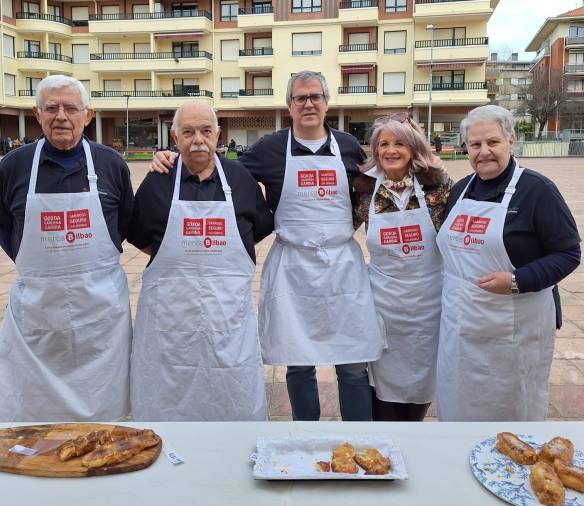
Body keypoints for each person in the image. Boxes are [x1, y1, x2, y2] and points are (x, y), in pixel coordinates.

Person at [149, 71, 385, 422]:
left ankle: (361, 438)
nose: (308, 104)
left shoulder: (348, 146)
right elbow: (217, 169)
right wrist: (171, 156)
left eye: (315, 97)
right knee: (298, 362)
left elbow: (386, 172)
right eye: (300, 98)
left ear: (326, 103)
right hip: (293, 268)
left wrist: (431, 169)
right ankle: (304, 436)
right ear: (289, 105)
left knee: (353, 364)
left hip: (342, 267)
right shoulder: (270, 148)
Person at [128, 100, 273, 421]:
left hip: (227, 324)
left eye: (206, 131)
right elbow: (139, 237)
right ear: (174, 137)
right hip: (170, 328)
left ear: (218, 134)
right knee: (167, 411)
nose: (198, 140)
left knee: (232, 406)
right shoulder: (158, 180)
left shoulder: (240, 179)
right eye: (188, 132)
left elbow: (257, 230)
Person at [0, 75, 134, 421]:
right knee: (33, 421)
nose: (61, 116)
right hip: (36, 317)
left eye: (71, 108)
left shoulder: (111, 164)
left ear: (87, 116)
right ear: (37, 114)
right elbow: (5, 226)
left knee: (105, 426)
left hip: (100, 318)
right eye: (51, 108)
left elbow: (125, 223)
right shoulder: (13, 166)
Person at [436, 105, 581, 422]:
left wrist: (517, 280)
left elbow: (568, 253)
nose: (483, 152)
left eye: (493, 142)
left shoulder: (537, 190)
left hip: (514, 329)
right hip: (461, 327)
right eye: (475, 145)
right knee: (459, 403)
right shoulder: (460, 190)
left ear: (510, 141)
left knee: (510, 408)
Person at [353, 113, 451, 421]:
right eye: (383, 144)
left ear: (413, 148)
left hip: (428, 303)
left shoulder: (438, 189)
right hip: (384, 304)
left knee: (423, 378)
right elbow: (338, 232)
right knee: (384, 382)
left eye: (399, 143)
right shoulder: (365, 191)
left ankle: (413, 428)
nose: (390, 150)